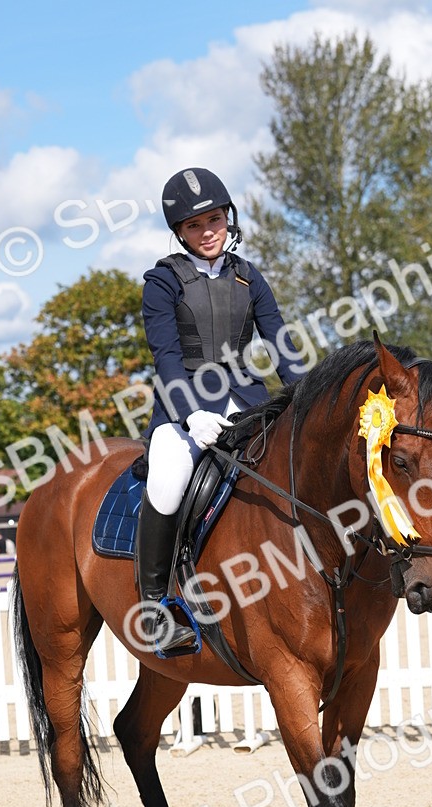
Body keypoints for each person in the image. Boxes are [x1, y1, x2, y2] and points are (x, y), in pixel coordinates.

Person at [139, 167, 304, 653]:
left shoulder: (249, 277)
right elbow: (166, 357)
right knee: (169, 476)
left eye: (215, 219)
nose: (208, 231)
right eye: (194, 225)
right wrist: (190, 414)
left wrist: (306, 394)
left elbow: (279, 343)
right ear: (179, 233)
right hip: (182, 408)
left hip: (247, 401)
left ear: (228, 219)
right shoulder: (163, 281)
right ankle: (154, 608)